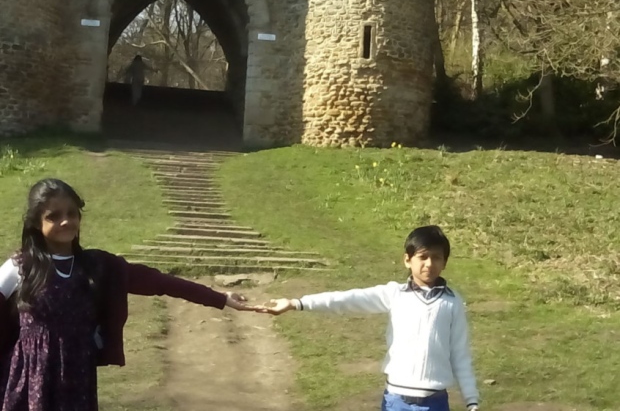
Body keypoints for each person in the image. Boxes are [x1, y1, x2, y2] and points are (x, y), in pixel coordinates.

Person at [0, 178, 260, 411]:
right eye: (53, 216)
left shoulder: (97, 266)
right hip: (30, 376)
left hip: (77, 376)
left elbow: (159, 282)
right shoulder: (20, 267)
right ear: (35, 222)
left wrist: (220, 298)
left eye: (72, 213)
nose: (65, 221)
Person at [260, 225, 480, 411]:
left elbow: (460, 354)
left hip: (435, 402)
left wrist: (471, 400)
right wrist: (296, 303)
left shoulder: (452, 302)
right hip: (396, 400)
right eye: (422, 257)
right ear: (407, 260)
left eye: (436, 257)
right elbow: (346, 300)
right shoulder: (395, 294)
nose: (429, 264)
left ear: (445, 262)